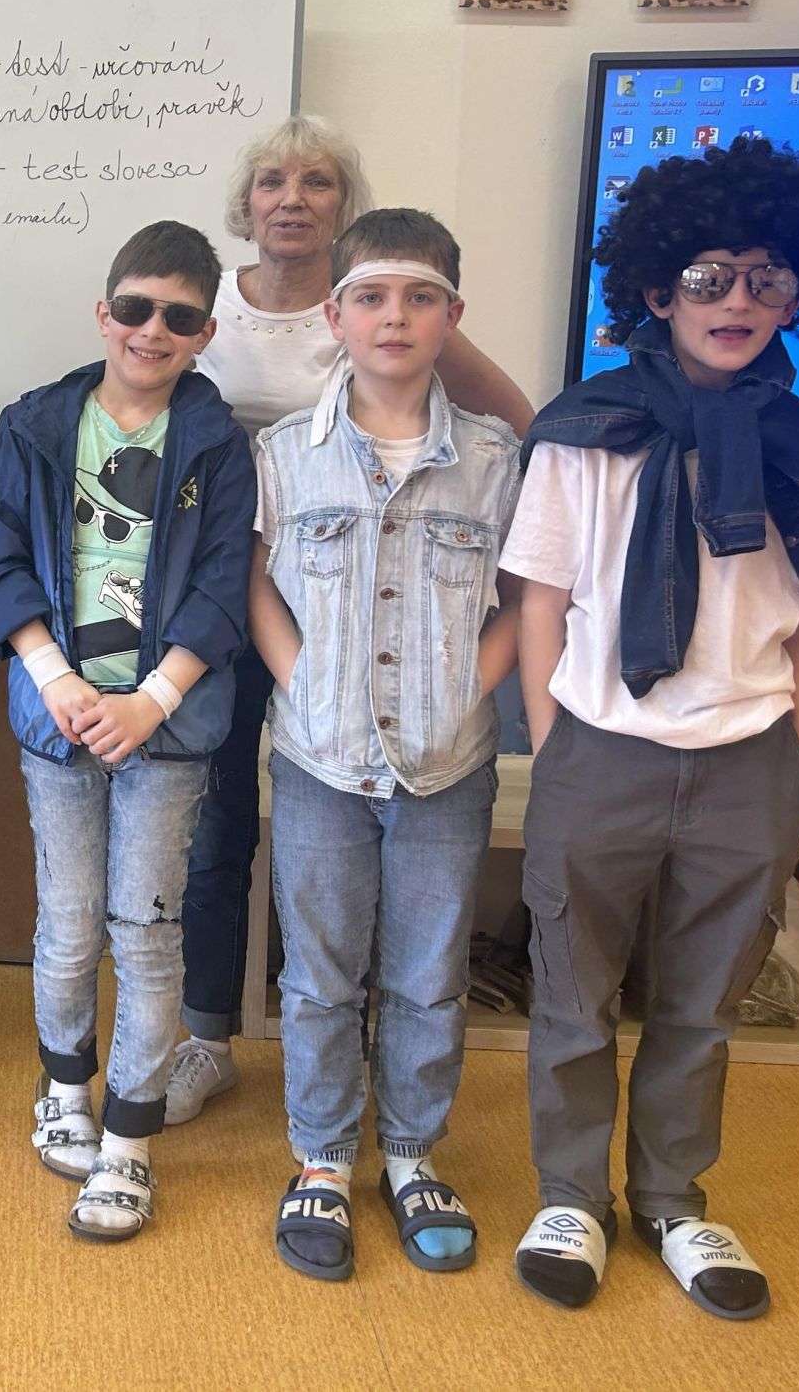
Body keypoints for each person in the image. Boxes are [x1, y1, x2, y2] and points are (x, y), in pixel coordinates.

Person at [502, 139, 799, 1320]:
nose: (738, 300)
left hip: (749, 764)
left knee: (703, 1006)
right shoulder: (586, 430)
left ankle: (672, 1200)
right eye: (710, 276)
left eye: (767, 278)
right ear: (659, 292)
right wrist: (557, 746)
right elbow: (540, 605)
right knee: (573, 995)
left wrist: (797, 767)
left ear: (796, 296)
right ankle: (573, 1196)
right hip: (599, 753)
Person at [171, 115, 535, 1125]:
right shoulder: (210, 310)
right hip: (248, 595)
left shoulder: (397, 303)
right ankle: (212, 1037)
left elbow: (521, 439)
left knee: (396, 903)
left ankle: (396, 1113)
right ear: (247, 202)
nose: (293, 198)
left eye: (318, 181)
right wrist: (301, 673)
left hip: (385, 612)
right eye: (273, 180)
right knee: (220, 829)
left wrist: (468, 677)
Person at [250, 209, 521, 1282]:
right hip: (319, 757)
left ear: (453, 315)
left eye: (418, 297)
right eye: (370, 297)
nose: (394, 317)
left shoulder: (495, 459)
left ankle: (410, 1152)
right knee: (319, 973)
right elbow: (257, 586)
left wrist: (468, 689)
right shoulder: (284, 454)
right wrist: (299, 679)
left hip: (446, 763)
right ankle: (321, 1155)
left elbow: (530, 595)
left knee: (427, 970)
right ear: (336, 316)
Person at [0, 220, 253, 1241]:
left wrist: (151, 700)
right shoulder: (35, 425)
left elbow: (223, 586)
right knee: (69, 917)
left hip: (164, 729)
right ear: (103, 312)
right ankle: (64, 1087)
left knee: (146, 927)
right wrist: (54, 677)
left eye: (179, 317)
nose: (152, 329)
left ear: (205, 333)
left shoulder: (218, 442)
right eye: (134, 308)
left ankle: (130, 1136)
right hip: (59, 718)